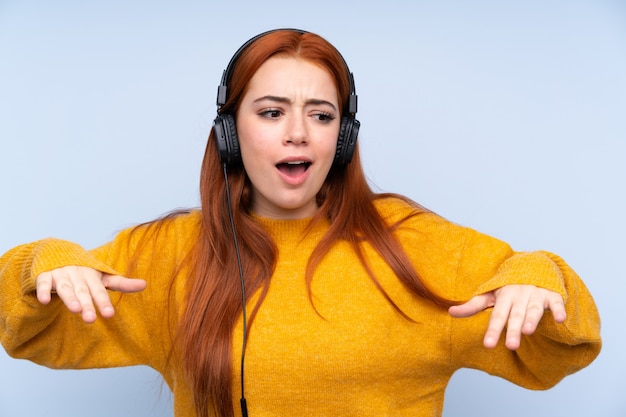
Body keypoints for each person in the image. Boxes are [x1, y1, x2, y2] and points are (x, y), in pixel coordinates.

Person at [0, 28, 601, 417]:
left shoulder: (412, 242)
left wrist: (541, 276)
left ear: (342, 138)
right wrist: (41, 262)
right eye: (271, 112)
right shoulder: (170, 252)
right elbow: (29, 328)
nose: (297, 132)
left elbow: (557, 350)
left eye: (321, 114)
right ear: (231, 133)